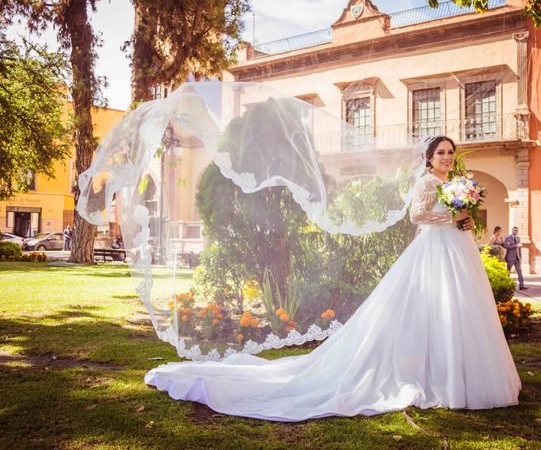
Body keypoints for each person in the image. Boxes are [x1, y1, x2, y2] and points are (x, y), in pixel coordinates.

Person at [144, 136, 521, 421]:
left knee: (461, 310)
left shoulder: (457, 184)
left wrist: (466, 220)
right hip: (432, 250)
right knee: (430, 308)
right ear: (428, 157)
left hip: (456, 250)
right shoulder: (426, 183)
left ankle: (460, 376)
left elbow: (456, 217)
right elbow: (416, 217)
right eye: (441, 152)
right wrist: (451, 218)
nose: (447, 157)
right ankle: (436, 376)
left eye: (450, 152)